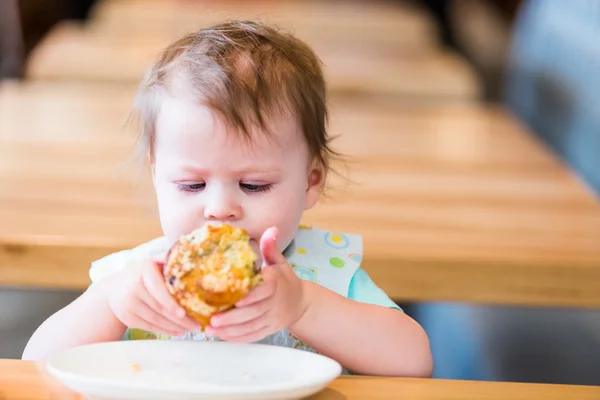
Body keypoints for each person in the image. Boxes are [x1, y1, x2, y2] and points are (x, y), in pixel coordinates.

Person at [22, 20, 432, 377]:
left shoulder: (323, 273)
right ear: (156, 175)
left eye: (253, 185)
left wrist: (306, 307)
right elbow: (36, 364)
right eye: (190, 185)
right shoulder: (141, 278)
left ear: (311, 181)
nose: (219, 209)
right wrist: (110, 303)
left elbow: (414, 361)